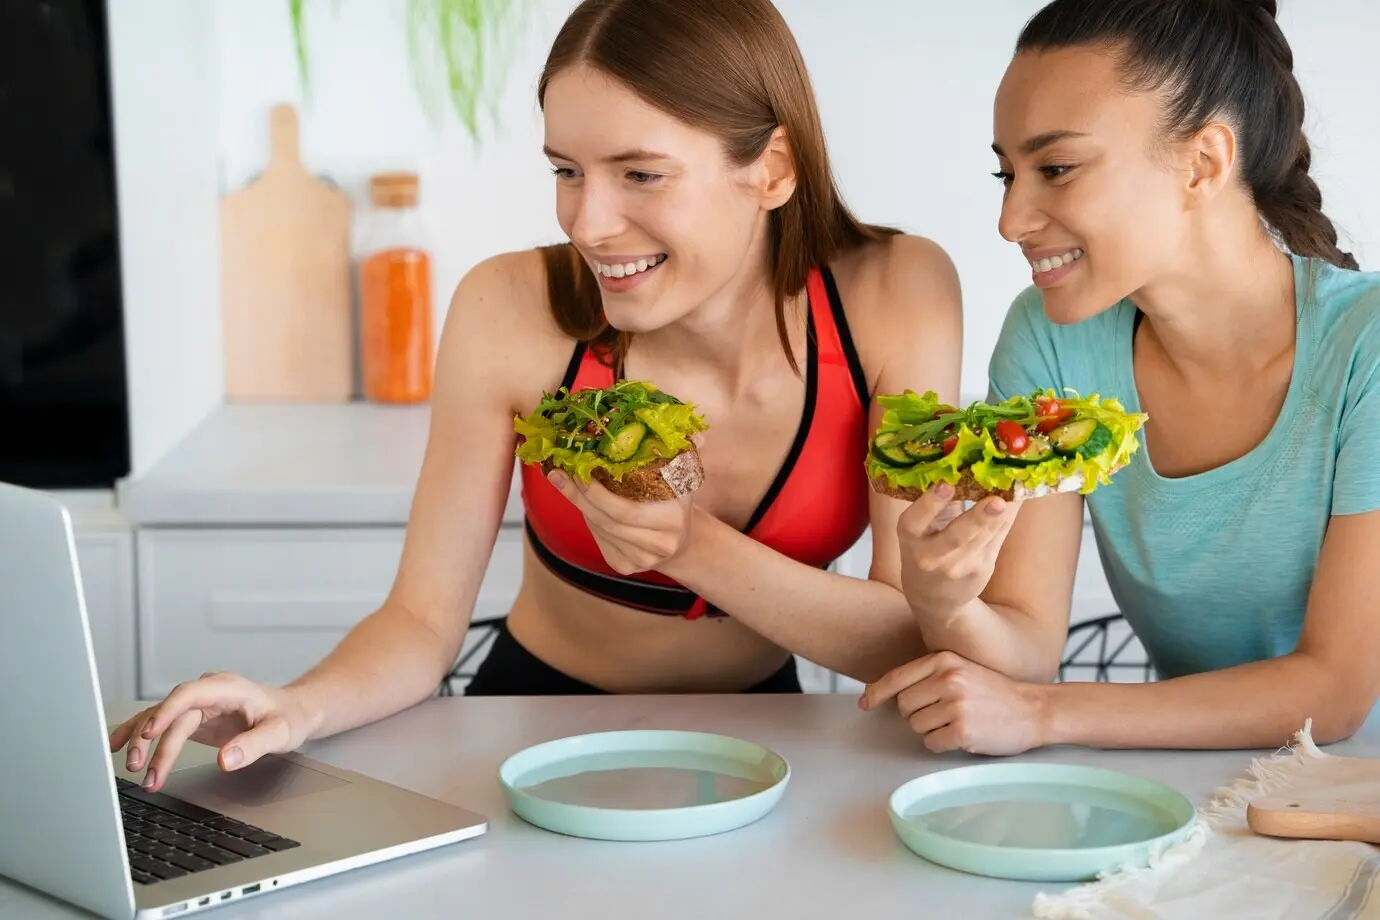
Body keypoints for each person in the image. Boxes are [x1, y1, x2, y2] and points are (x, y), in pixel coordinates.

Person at [109, 0, 963, 791]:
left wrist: (688, 546)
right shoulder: (505, 309)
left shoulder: (894, 297)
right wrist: (299, 705)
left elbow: (907, 636)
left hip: (767, 732)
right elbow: (420, 618)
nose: (586, 224)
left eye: (641, 175)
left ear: (771, 168)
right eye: (566, 170)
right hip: (526, 721)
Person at [862, 0, 1380, 754]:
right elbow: (1027, 644)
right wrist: (947, 601)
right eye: (1007, 174)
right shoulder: (1050, 338)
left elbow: (1333, 692)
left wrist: (1045, 714)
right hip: (1191, 782)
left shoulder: (1366, 344)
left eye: (1057, 169)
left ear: (1203, 163)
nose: (1011, 220)